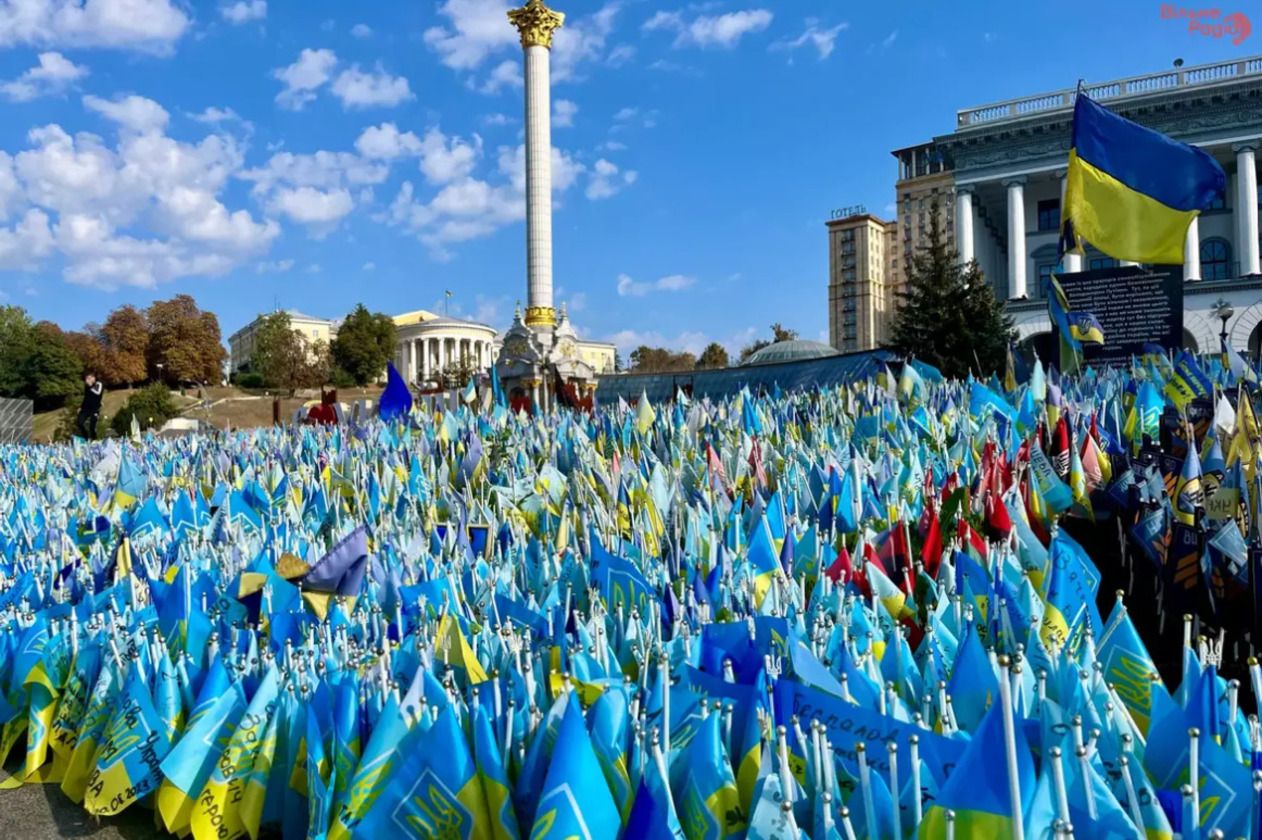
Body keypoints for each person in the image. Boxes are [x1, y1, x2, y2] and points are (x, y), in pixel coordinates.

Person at [77, 373, 103, 439]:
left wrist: (90, 386)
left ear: (93, 378)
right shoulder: (87, 386)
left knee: (92, 426)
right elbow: (86, 397)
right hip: (86, 408)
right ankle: (86, 437)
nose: (87, 380)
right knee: (80, 423)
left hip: (95, 408)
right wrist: (81, 407)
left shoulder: (98, 384)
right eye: (87, 379)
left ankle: (94, 439)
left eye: (89, 378)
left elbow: (98, 393)